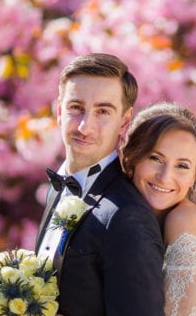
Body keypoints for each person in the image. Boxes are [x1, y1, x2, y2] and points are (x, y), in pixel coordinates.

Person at [34, 53, 165, 316]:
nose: (85, 126)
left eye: (103, 111)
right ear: (59, 111)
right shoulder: (56, 190)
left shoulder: (126, 217)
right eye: (76, 108)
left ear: (124, 122)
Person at [121, 102, 196, 316]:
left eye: (182, 166)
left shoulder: (185, 218)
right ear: (132, 157)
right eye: (155, 158)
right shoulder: (128, 218)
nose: (165, 177)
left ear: (195, 175)